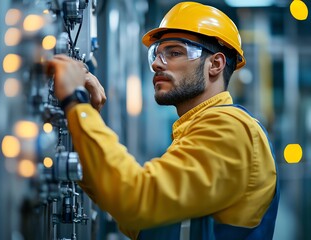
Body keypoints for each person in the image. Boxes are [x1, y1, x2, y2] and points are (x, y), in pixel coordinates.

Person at [47, 2, 279, 239]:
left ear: (216, 64)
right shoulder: (196, 130)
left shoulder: (231, 128)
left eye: (175, 52)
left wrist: (76, 102)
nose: (157, 63)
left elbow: (136, 202)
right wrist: (84, 122)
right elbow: (147, 224)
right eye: (156, 54)